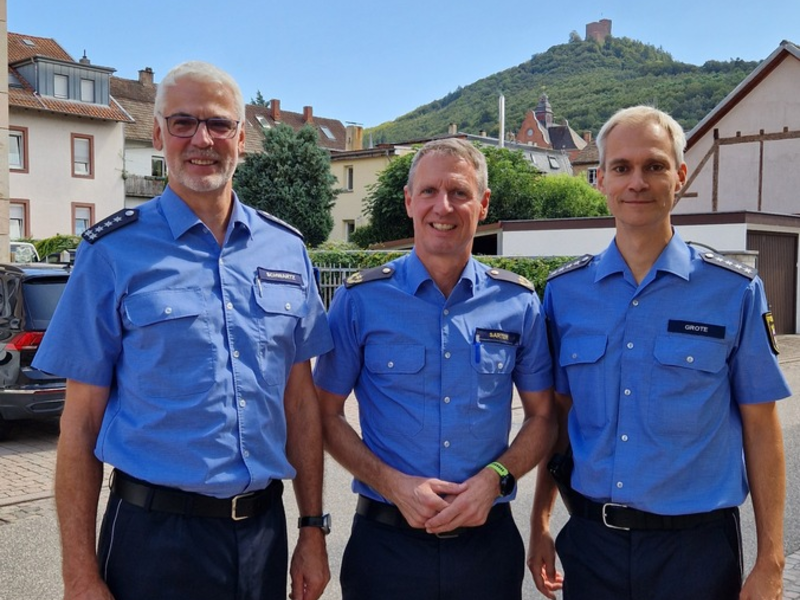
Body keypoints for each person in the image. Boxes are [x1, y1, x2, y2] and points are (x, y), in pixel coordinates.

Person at [33, 61, 333, 600]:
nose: (202, 140)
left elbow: (300, 401)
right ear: (157, 134)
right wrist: (79, 573)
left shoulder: (287, 249)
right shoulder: (111, 252)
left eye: (218, 124)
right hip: (153, 540)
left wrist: (312, 527)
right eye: (183, 123)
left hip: (262, 536)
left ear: (241, 138)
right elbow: (79, 425)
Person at [528, 105, 791, 600]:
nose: (637, 182)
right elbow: (558, 418)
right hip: (592, 546)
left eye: (654, 166)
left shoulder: (733, 291)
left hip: (695, 553)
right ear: (601, 179)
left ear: (680, 176)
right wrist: (540, 522)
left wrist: (771, 559)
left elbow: (761, 425)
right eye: (622, 167)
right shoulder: (565, 293)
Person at [314, 137, 555, 600]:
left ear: (483, 204)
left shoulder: (518, 302)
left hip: (487, 548)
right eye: (428, 191)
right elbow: (324, 413)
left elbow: (543, 417)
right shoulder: (361, 300)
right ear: (409, 201)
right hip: (385, 546)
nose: (442, 206)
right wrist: (392, 484)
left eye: (459, 192)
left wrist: (496, 477)